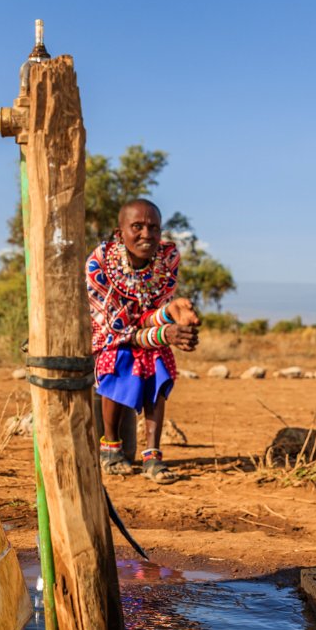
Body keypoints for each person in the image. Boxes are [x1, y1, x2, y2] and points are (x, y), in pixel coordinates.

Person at [85, 199, 200, 484]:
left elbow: (149, 313)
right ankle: (110, 449)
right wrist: (164, 332)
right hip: (104, 336)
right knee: (119, 358)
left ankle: (153, 455)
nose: (146, 234)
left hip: (138, 333)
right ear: (119, 232)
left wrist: (171, 313)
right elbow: (115, 327)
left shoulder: (167, 260)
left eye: (153, 228)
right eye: (137, 227)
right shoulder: (100, 264)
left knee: (158, 360)